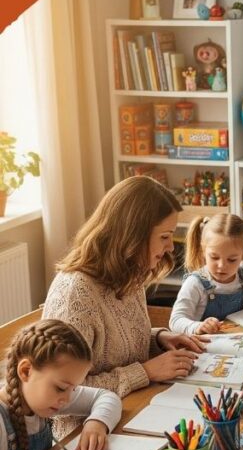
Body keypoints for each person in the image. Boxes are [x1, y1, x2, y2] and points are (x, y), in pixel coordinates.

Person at [43, 177, 203, 436]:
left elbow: (114, 344)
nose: (170, 247)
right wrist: (146, 372)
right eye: (164, 236)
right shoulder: (76, 294)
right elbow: (63, 393)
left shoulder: (130, 273)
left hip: (134, 408)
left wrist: (159, 339)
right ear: (133, 236)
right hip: (83, 434)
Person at [0, 319, 122, 450]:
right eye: (61, 388)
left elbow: (107, 397)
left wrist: (97, 423)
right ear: (25, 371)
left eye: (73, 389)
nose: (68, 399)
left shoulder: (43, 398)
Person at [170, 214, 243, 335]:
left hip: (235, 340)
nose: (222, 265)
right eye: (214, 257)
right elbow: (175, 321)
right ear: (203, 250)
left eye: (232, 260)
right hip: (202, 346)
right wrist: (197, 327)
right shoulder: (195, 283)